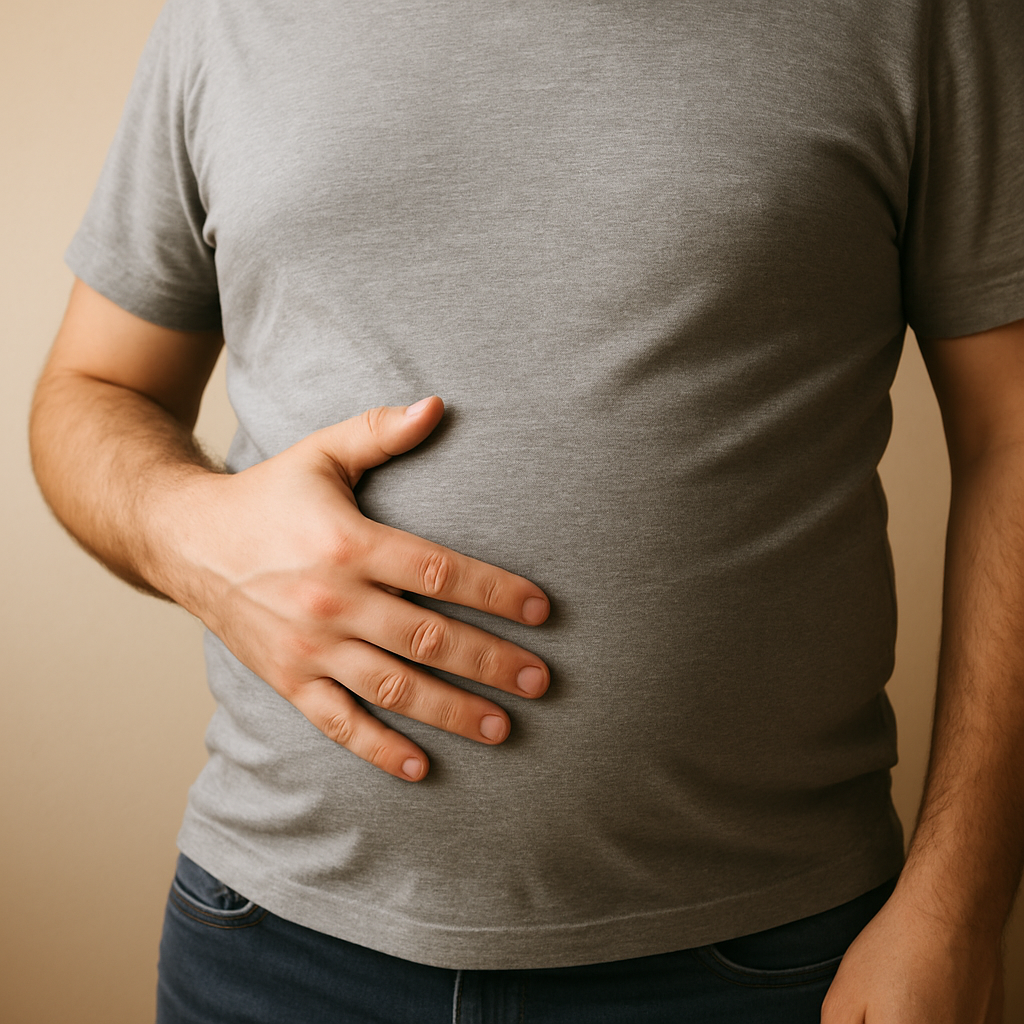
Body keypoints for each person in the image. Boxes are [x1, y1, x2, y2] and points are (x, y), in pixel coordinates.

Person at [28, 0, 1024, 1020]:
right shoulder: (225, 16)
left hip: (763, 962)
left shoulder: (922, 16)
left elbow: (1010, 430)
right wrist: (195, 537)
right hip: (275, 951)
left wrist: (958, 907)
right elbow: (91, 390)